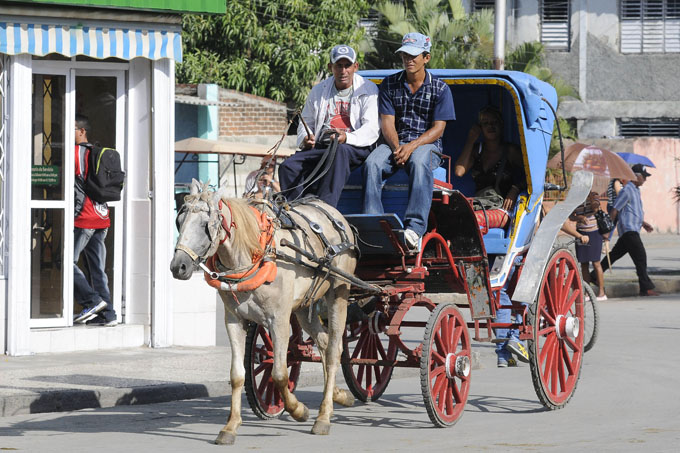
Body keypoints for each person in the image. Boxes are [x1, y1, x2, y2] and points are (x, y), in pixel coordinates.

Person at [362, 32, 455, 249]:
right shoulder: (389, 84)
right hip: (395, 143)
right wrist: (397, 149)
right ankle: (373, 223)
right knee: (372, 163)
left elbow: (438, 129)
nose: (408, 60)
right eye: (405, 55)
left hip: (426, 146)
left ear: (426, 58)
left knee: (419, 160)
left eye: (414, 55)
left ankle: (414, 228)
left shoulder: (441, 89)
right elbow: (387, 123)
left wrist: (411, 147)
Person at [278, 44, 379, 207]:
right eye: (339, 66)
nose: (343, 71)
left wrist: (346, 137)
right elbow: (306, 122)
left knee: (339, 151)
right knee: (288, 167)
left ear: (356, 67)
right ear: (330, 67)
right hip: (323, 146)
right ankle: (296, 211)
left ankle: (325, 207)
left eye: (347, 66)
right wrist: (306, 138)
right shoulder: (318, 91)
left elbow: (371, 129)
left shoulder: (368, 89)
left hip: (354, 146)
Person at [73, 114, 118, 326]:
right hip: (102, 217)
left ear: (82, 131)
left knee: (65, 262)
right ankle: (108, 314)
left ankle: (92, 301)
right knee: (96, 269)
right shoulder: (96, 152)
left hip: (85, 218)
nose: (69, 133)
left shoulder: (77, 154)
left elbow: (76, 186)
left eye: (72, 129)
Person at [593, 164, 659, 296]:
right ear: (635, 176)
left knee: (615, 255)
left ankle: (594, 276)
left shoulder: (636, 190)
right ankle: (645, 288)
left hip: (633, 228)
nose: (645, 179)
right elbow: (615, 209)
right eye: (644, 176)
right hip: (629, 230)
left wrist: (643, 223)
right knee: (640, 257)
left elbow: (633, 211)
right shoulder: (627, 190)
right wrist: (608, 229)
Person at [454, 106, 526, 228]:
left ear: (501, 125)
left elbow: (534, 176)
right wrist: (471, 140)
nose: (490, 126)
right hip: (479, 205)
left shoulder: (510, 151)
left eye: (494, 122)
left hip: (504, 210)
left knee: (475, 219)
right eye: (485, 123)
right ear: (480, 128)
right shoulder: (477, 151)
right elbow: (459, 171)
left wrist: (515, 189)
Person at [570, 191, 607, 300]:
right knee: (584, 264)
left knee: (596, 263)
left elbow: (596, 210)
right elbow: (571, 216)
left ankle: (601, 292)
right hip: (581, 232)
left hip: (594, 232)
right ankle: (587, 292)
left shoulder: (594, 196)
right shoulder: (576, 197)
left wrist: (591, 198)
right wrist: (580, 218)